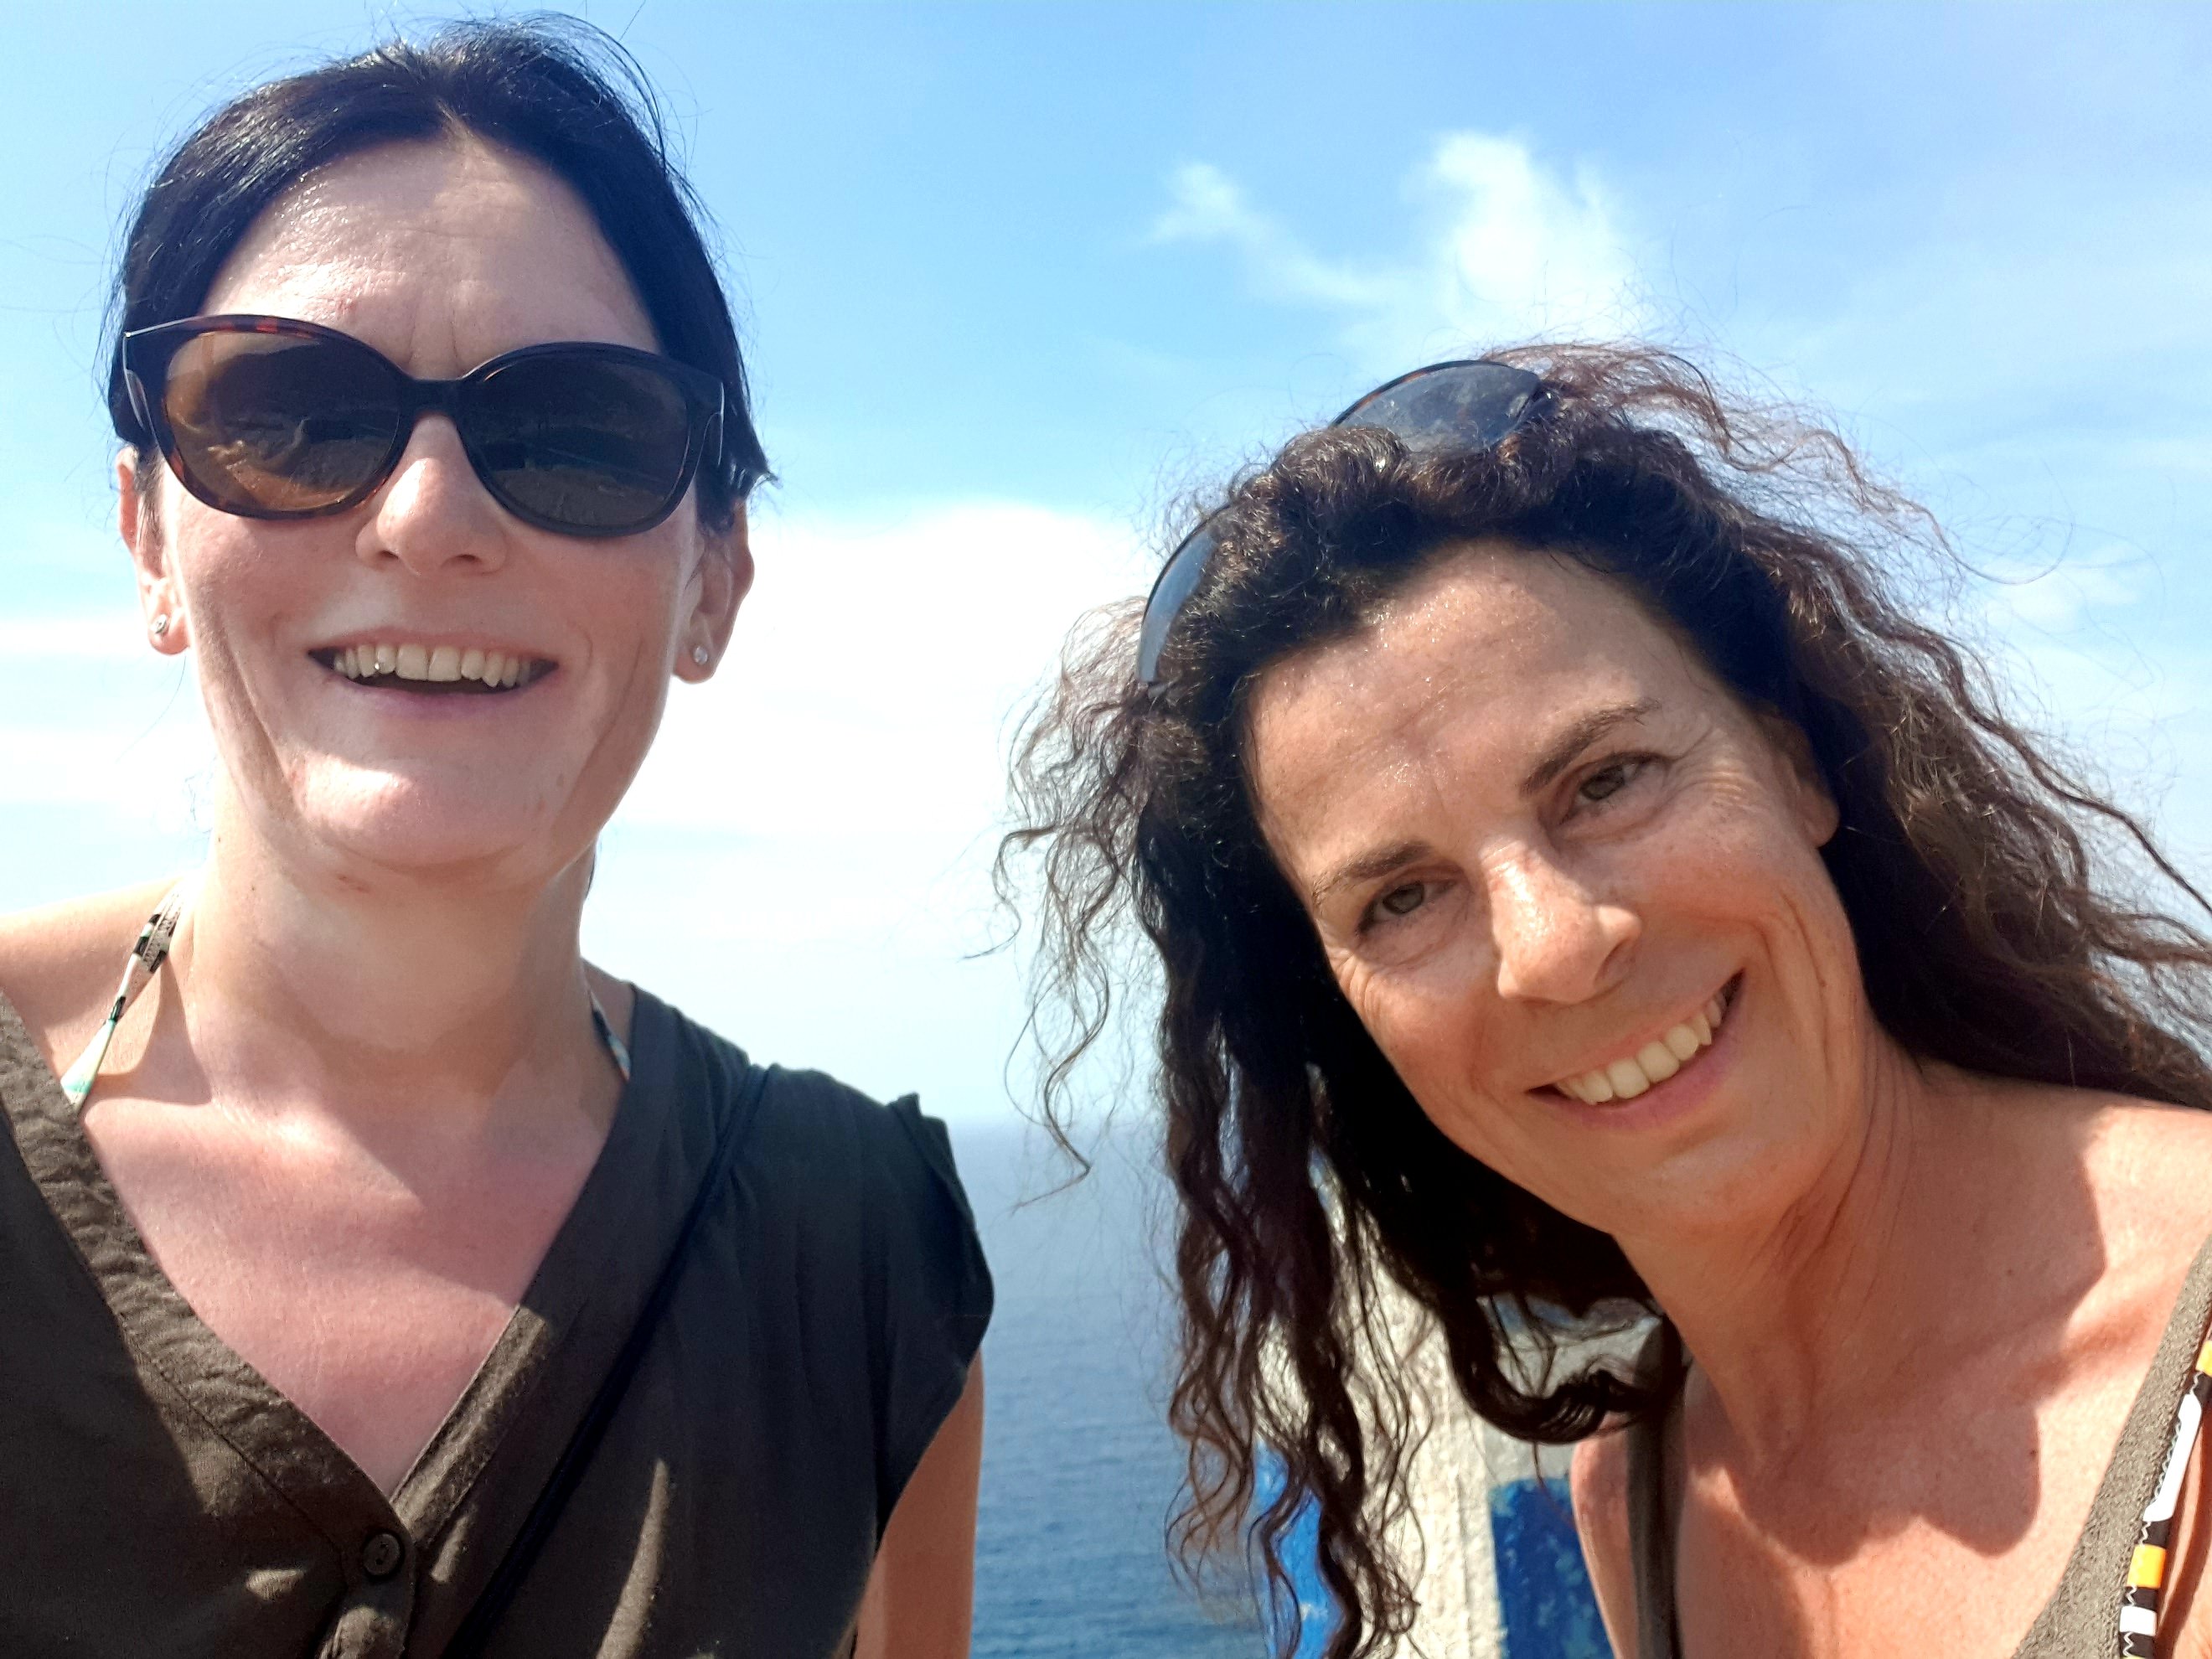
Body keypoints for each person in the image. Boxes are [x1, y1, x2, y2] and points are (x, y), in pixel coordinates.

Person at [0, 21, 990, 1659]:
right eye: (290, 412)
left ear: (717, 581)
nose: (429, 516)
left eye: (578, 431)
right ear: (147, 540)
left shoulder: (857, 1256)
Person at [1005, 349, 2212, 1658]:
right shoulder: (1640, 1495)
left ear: (1794, 760)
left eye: (1606, 780)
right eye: (1402, 899)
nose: (1556, 947)